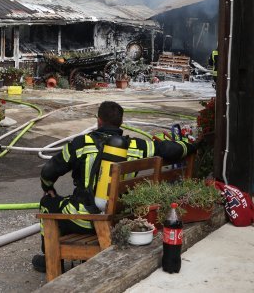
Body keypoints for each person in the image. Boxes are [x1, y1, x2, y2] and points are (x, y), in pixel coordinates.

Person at [32, 100, 194, 273]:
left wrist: (48, 187)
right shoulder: (137, 146)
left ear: (99, 120)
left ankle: (49, 258)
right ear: (121, 122)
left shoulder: (81, 144)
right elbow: (169, 149)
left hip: (86, 220)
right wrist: (190, 145)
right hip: (121, 218)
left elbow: (49, 171)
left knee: (48, 204)